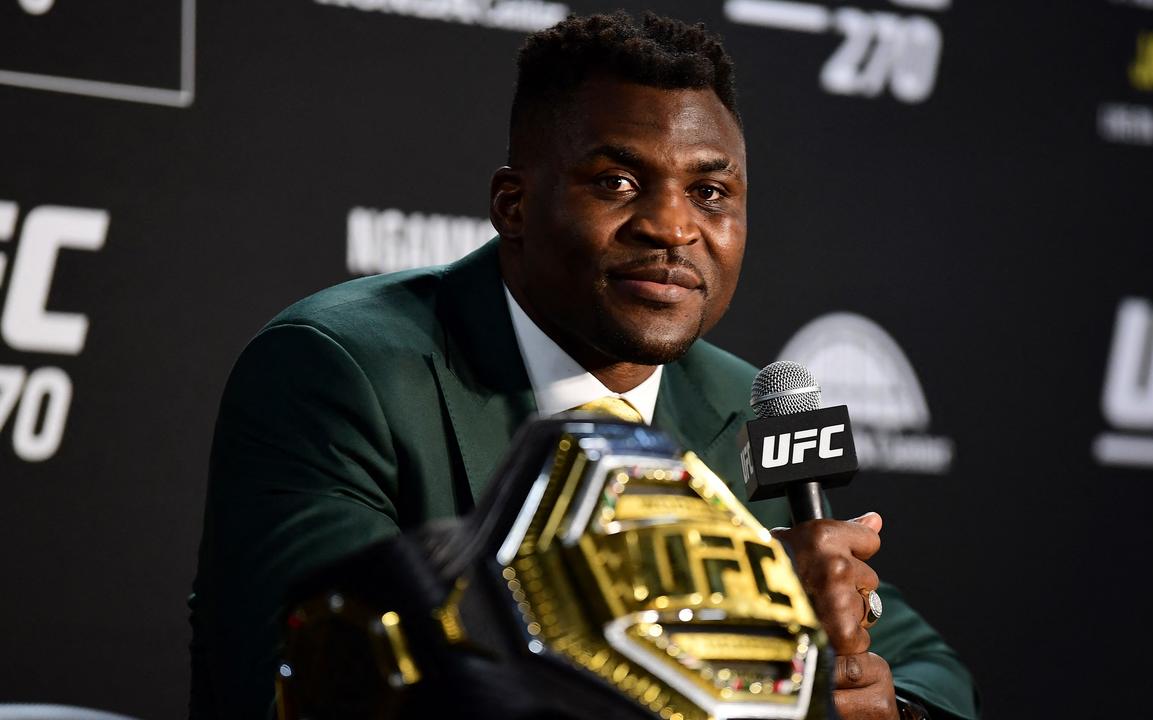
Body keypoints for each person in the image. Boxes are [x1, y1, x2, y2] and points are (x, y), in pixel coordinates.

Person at [189, 11, 979, 720]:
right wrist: (727, 615)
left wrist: (878, 703)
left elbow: (929, 670)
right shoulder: (342, 370)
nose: (672, 227)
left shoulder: (742, 404)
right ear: (514, 206)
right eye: (618, 183)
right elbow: (311, 692)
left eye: (709, 192)